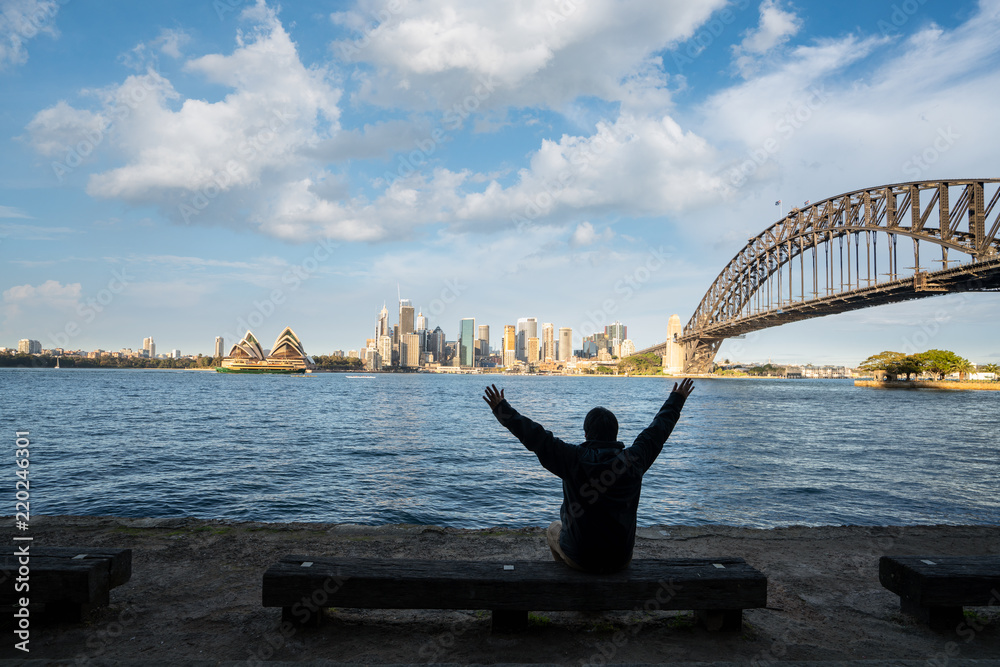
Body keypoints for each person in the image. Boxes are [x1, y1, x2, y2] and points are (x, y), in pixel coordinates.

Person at [483, 378, 694, 573]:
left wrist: (501, 409)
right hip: (620, 559)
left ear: (586, 433)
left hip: (580, 558)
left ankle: (572, 583)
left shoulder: (572, 458)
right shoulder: (634, 460)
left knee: (553, 530)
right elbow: (657, 431)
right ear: (615, 434)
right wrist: (677, 399)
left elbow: (535, 436)